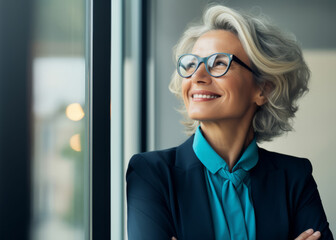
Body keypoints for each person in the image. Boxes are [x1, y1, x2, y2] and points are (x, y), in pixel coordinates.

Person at [126, 5, 333, 240]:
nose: (197, 76)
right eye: (191, 64)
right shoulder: (150, 174)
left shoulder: (295, 176)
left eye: (218, 63)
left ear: (263, 89)